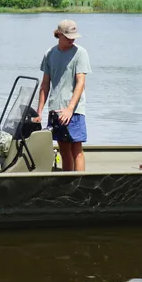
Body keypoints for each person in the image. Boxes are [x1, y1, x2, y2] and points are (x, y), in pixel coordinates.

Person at [34, 19, 91, 172]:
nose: (72, 40)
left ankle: (79, 182)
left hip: (74, 110)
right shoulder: (50, 54)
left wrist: (70, 109)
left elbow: (81, 82)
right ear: (59, 34)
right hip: (56, 110)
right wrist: (39, 112)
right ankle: (68, 183)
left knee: (76, 150)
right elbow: (45, 84)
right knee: (64, 151)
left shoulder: (80, 53)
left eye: (74, 37)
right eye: (68, 37)